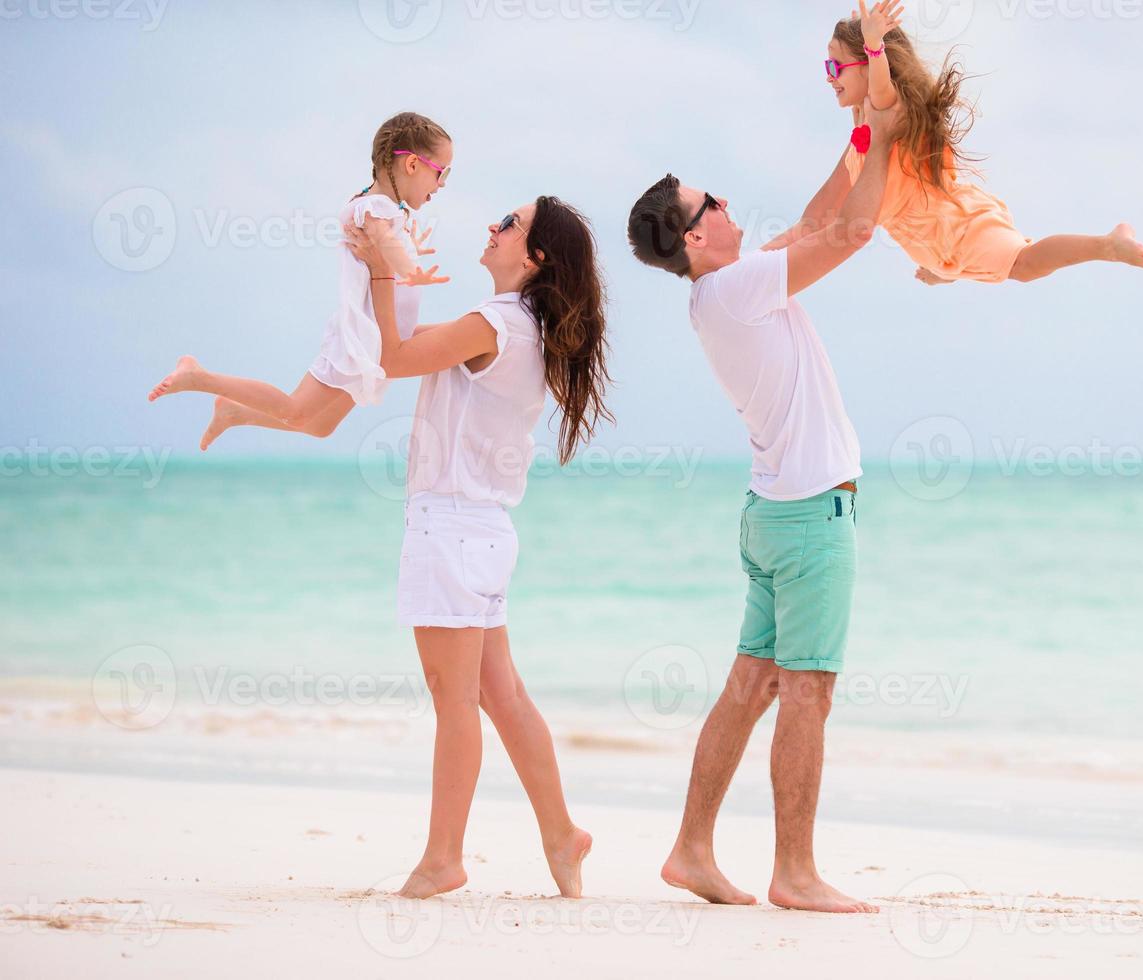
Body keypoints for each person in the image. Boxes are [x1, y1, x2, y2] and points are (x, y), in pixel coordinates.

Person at [626, 99, 900, 915]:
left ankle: (692, 850)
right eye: (714, 204)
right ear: (695, 237)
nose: (730, 208)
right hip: (811, 516)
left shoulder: (725, 293)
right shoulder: (736, 290)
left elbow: (819, 220)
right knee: (807, 690)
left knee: (750, 685)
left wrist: (860, 141)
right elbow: (850, 235)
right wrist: (886, 139)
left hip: (776, 512)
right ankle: (795, 872)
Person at [344, 198, 612, 899]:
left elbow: (391, 356)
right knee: (500, 694)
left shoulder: (494, 323)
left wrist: (379, 267)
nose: (491, 228)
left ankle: (444, 858)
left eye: (508, 224)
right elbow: (406, 342)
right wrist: (397, 272)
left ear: (535, 257)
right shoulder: (524, 326)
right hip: (484, 531)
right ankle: (561, 834)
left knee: (456, 698)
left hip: (453, 527)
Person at [765, 1, 1143, 285]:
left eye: (835, 66)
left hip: (957, 227)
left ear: (869, 67)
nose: (828, 75)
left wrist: (873, 45)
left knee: (1024, 264)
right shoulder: (863, 129)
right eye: (826, 66)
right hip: (932, 246)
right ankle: (945, 273)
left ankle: (1108, 245)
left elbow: (880, 87)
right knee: (1000, 269)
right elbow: (816, 218)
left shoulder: (886, 108)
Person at [147, 111, 452, 449]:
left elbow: (389, 241)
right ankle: (199, 378)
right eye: (441, 173)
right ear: (412, 165)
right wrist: (410, 269)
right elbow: (383, 241)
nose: (442, 185)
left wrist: (410, 249)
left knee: (320, 426)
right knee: (296, 410)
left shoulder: (383, 208)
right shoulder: (374, 207)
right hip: (361, 337)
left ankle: (235, 412)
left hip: (383, 335)